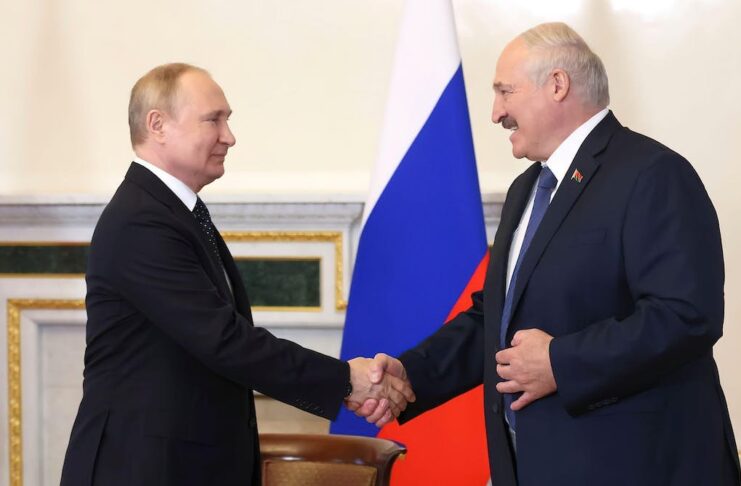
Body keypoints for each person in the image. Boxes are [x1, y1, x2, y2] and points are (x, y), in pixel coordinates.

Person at [356, 22, 741, 485]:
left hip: (638, 467)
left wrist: (560, 361)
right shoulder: (527, 189)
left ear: (558, 85)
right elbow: (495, 319)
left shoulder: (654, 175)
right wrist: (410, 375)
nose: (496, 113)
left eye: (505, 91)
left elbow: (686, 316)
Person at [60, 63, 413, 486]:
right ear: (158, 125)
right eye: (213, 120)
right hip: (141, 468)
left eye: (227, 120)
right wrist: (345, 381)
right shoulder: (141, 221)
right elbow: (225, 341)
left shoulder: (172, 212)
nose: (229, 137)